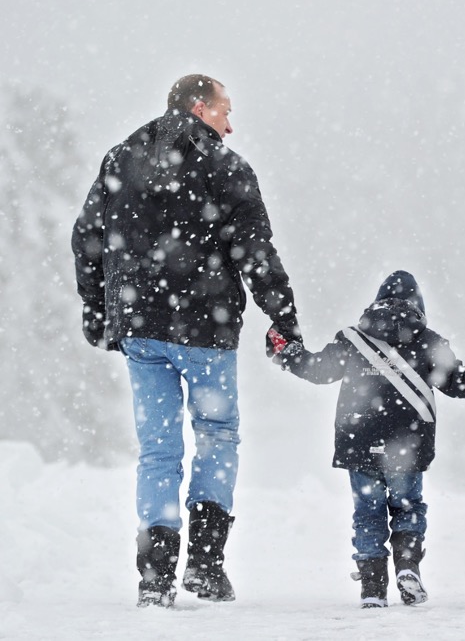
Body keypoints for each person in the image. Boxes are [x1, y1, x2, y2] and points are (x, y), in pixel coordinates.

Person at [72, 74, 302, 608]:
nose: (230, 122)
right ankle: (204, 562)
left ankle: (155, 577)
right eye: (226, 110)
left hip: (139, 330)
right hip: (205, 328)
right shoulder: (226, 167)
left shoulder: (120, 159)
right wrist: (283, 318)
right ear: (201, 108)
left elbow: (86, 236)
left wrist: (96, 307)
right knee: (217, 434)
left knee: (157, 450)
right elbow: (256, 252)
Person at [269, 271, 465, 609]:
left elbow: (317, 370)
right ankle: (407, 566)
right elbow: (459, 383)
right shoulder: (429, 341)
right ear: (418, 305)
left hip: (358, 440)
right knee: (408, 506)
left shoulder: (351, 338)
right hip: (406, 442)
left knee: (367, 512)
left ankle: (372, 588)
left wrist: (286, 352)